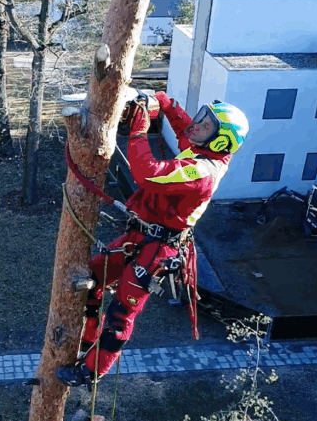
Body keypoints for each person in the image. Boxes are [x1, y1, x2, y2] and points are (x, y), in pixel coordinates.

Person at [55, 91, 250, 387]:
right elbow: (184, 125)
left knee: (122, 310)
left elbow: (147, 173)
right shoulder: (202, 148)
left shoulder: (202, 171)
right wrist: (164, 101)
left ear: (220, 141)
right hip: (142, 234)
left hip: (160, 248)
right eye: (201, 117)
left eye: (205, 125)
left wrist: (139, 128)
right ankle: (85, 342)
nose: (196, 126)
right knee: (94, 275)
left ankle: (91, 372)